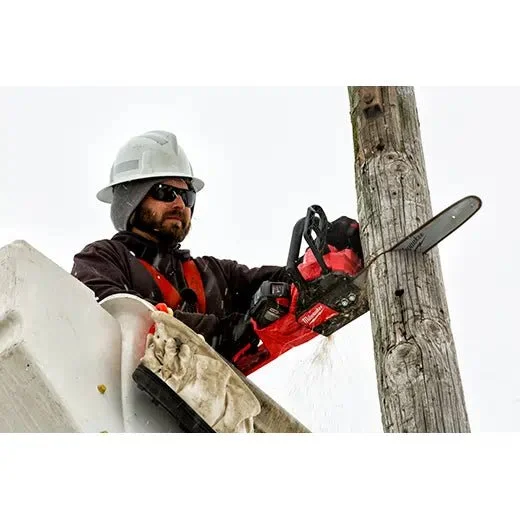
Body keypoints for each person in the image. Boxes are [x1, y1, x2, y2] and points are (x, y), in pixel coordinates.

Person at [72, 130, 363, 374]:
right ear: (130, 200)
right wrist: (224, 332)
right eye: (164, 192)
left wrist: (328, 254)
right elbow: (121, 317)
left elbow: (283, 282)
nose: (179, 204)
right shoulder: (101, 259)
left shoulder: (212, 274)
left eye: (186, 195)